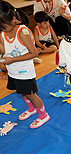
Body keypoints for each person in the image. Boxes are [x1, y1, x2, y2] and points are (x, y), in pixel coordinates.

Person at [0, 0, 50, 128]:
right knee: (22, 92)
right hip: (13, 71)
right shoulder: (3, 33)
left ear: (13, 19)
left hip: (24, 72)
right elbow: (5, 50)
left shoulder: (22, 32)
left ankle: (43, 115)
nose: (2, 29)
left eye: (3, 26)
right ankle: (32, 109)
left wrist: (12, 60)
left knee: (31, 94)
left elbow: (34, 53)